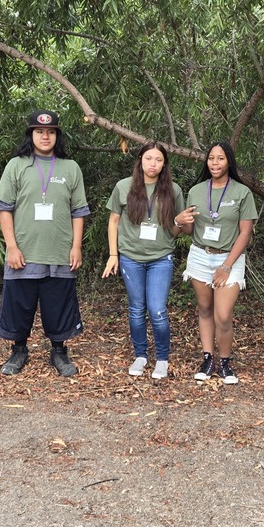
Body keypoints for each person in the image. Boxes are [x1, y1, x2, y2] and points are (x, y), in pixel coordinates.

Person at [0, 110, 89, 377]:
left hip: (60, 251)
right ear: (31, 134)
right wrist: (11, 246)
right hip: (24, 251)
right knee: (19, 305)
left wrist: (76, 246)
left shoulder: (70, 168)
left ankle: (59, 351)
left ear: (57, 135)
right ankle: (18, 350)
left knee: (58, 304)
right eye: (39, 131)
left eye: (50, 131)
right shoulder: (16, 165)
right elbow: (4, 208)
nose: (45, 136)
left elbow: (78, 211)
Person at [102, 142, 185, 379]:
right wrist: (113, 255)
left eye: (159, 160)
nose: (153, 164)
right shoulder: (123, 187)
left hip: (161, 257)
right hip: (131, 257)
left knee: (157, 310)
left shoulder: (173, 190)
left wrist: (179, 222)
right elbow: (114, 221)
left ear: (164, 164)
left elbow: (174, 229)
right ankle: (140, 355)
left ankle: (162, 359)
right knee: (136, 309)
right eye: (149, 158)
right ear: (140, 159)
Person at [177, 142, 257, 384]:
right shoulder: (197, 191)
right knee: (204, 309)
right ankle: (207, 358)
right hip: (201, 254)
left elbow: (245, 233)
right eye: (211, 158)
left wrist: (226, 266)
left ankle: (225, 361)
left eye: (220, 158)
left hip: (229, 258)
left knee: (222, 315)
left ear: (228, 162)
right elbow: (190, 229)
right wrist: (179, 221)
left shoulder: (242, 193)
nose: (215, 163)